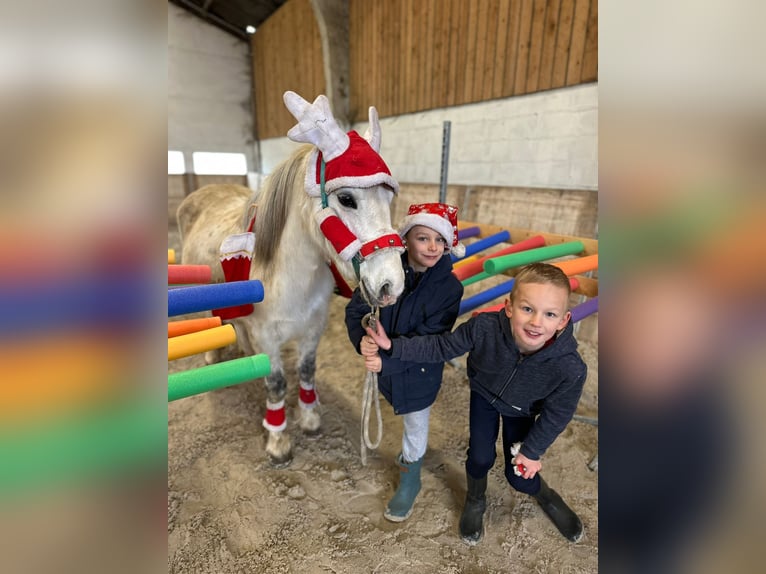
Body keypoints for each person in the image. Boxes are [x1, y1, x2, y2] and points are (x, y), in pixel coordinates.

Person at [364, 262, 587, 544]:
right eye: (527, 309)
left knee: (518, 476)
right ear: (509, 307)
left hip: (523, 409)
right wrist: (393, 346)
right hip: (485, 395)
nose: (536, 322)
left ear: (564, 320)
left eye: (550, 314)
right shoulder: (484, 327)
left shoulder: (570, 367)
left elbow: (558, 414)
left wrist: (532, 451)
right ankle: (475, 498)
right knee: (480, 458)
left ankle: (546, 495)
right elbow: (441, 346)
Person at [345, 202, 465, 522]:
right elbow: (357, 311)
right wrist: (362, 338)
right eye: (423, 238)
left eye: (440, 241)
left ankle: (411, 479)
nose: (432, 247)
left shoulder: (450, 289)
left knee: (415, 426)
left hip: (419, 376)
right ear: (405, 238)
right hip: (385, 371)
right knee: (393, 404)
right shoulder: (382, 270)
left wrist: (389, 360)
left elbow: (433, 343)